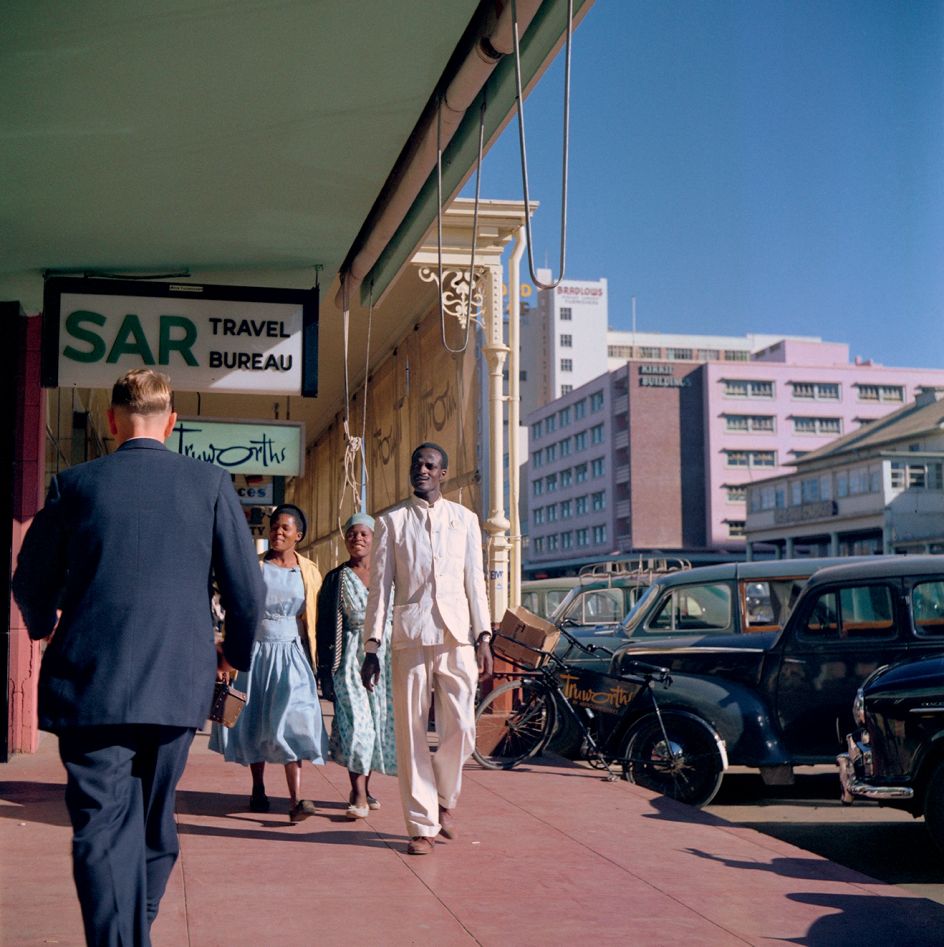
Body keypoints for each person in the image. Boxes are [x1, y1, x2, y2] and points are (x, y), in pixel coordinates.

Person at [12, 368, 264, 946]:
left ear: (110, 420)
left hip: (90, 680)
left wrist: (47, 626)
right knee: (154, 823)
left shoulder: (75, 485)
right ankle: (133, 931)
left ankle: (119, 938)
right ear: (172, 422)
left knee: (102, 827)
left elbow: (29, 579)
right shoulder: (209, 483)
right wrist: (233, 654)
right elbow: (246, 591)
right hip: (178, 682)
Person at [361, 442, 493, 856]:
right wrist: (371, 645)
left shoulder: (465, 520)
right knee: (411, 734)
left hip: (457, 637)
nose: (421, 469)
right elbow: (380, 589)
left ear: (443, 474)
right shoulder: (392, 522)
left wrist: (484, 635)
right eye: (416, 463)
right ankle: (421, 826)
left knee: (462, 727)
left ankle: (442, 799)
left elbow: (476, 582)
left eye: (430, 465)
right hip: (410, 638)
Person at [210, 504, 328, 822]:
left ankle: (296, 799)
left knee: (294, 718)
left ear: (298, 536)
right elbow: (237, 610)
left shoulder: (310, 572)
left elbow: (313, 617)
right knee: (254, 720)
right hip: (255, 652)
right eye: (274, 526)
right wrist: (227, 655)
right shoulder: (254, 568)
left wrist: (317, 658)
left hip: (291, 653)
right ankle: (258, 788)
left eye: (285, 528)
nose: (277, 532)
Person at [316, 512, 395, 819]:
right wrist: (325, 670)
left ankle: (363, 787)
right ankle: (359, 795)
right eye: (352, 534)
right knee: (357, 726)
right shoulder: (336, 578)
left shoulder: (388, 575)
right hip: (349, 658)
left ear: (374, 540)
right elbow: (325, 626)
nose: (358, 538)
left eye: (364, 534)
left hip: (384, 659)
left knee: (376, 726)